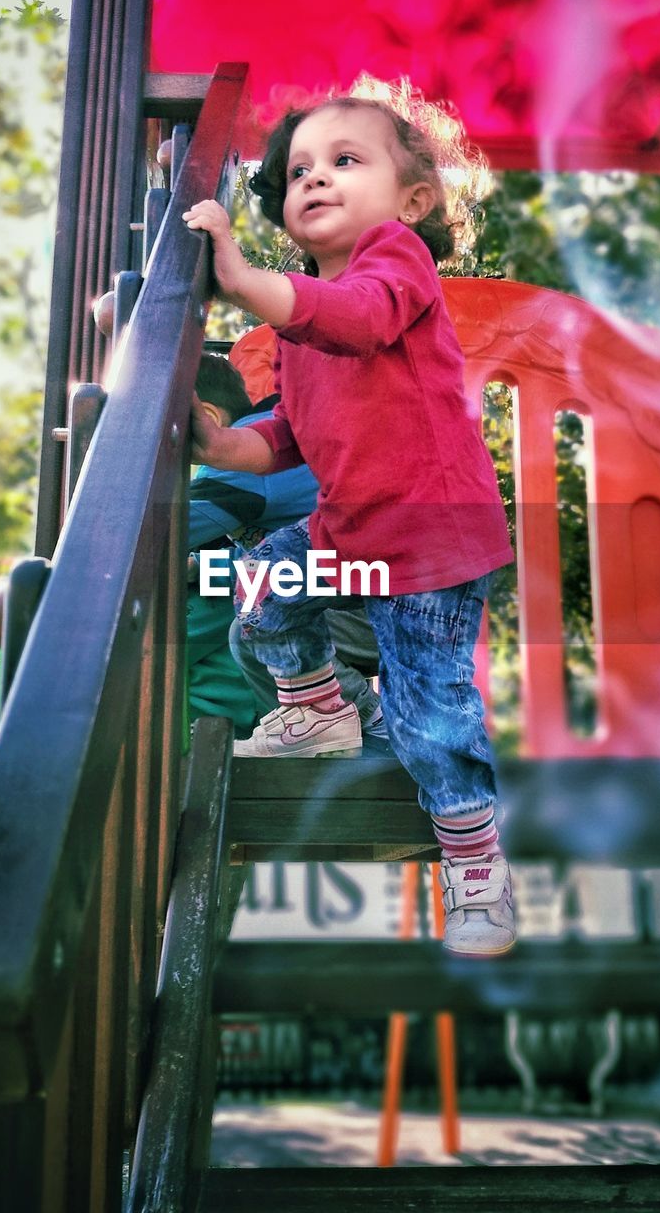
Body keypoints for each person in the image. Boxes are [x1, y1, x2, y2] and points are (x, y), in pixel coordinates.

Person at [182, 89, 516, 956]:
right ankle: (320, 710)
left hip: (432, 544)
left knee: (427, 714)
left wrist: (244, 277)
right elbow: (293, 433)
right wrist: (221, 445)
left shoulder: (395, 263)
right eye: (299, 170)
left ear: (412, 201)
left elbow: (359, 322)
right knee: (261, 593)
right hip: (350, 533)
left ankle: (477, 872)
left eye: (344, 161)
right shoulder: (300, 327)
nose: (315, 179)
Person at [187, 352, 386, 744]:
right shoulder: (268, 446)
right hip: (365, 595)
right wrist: (200, 568)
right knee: (247, 622)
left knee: (254, 625)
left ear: (207, 418)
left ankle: (367, 720)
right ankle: (307, 729)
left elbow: (157, 532)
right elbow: (259, 564)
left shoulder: (240, 459)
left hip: (374, 611)